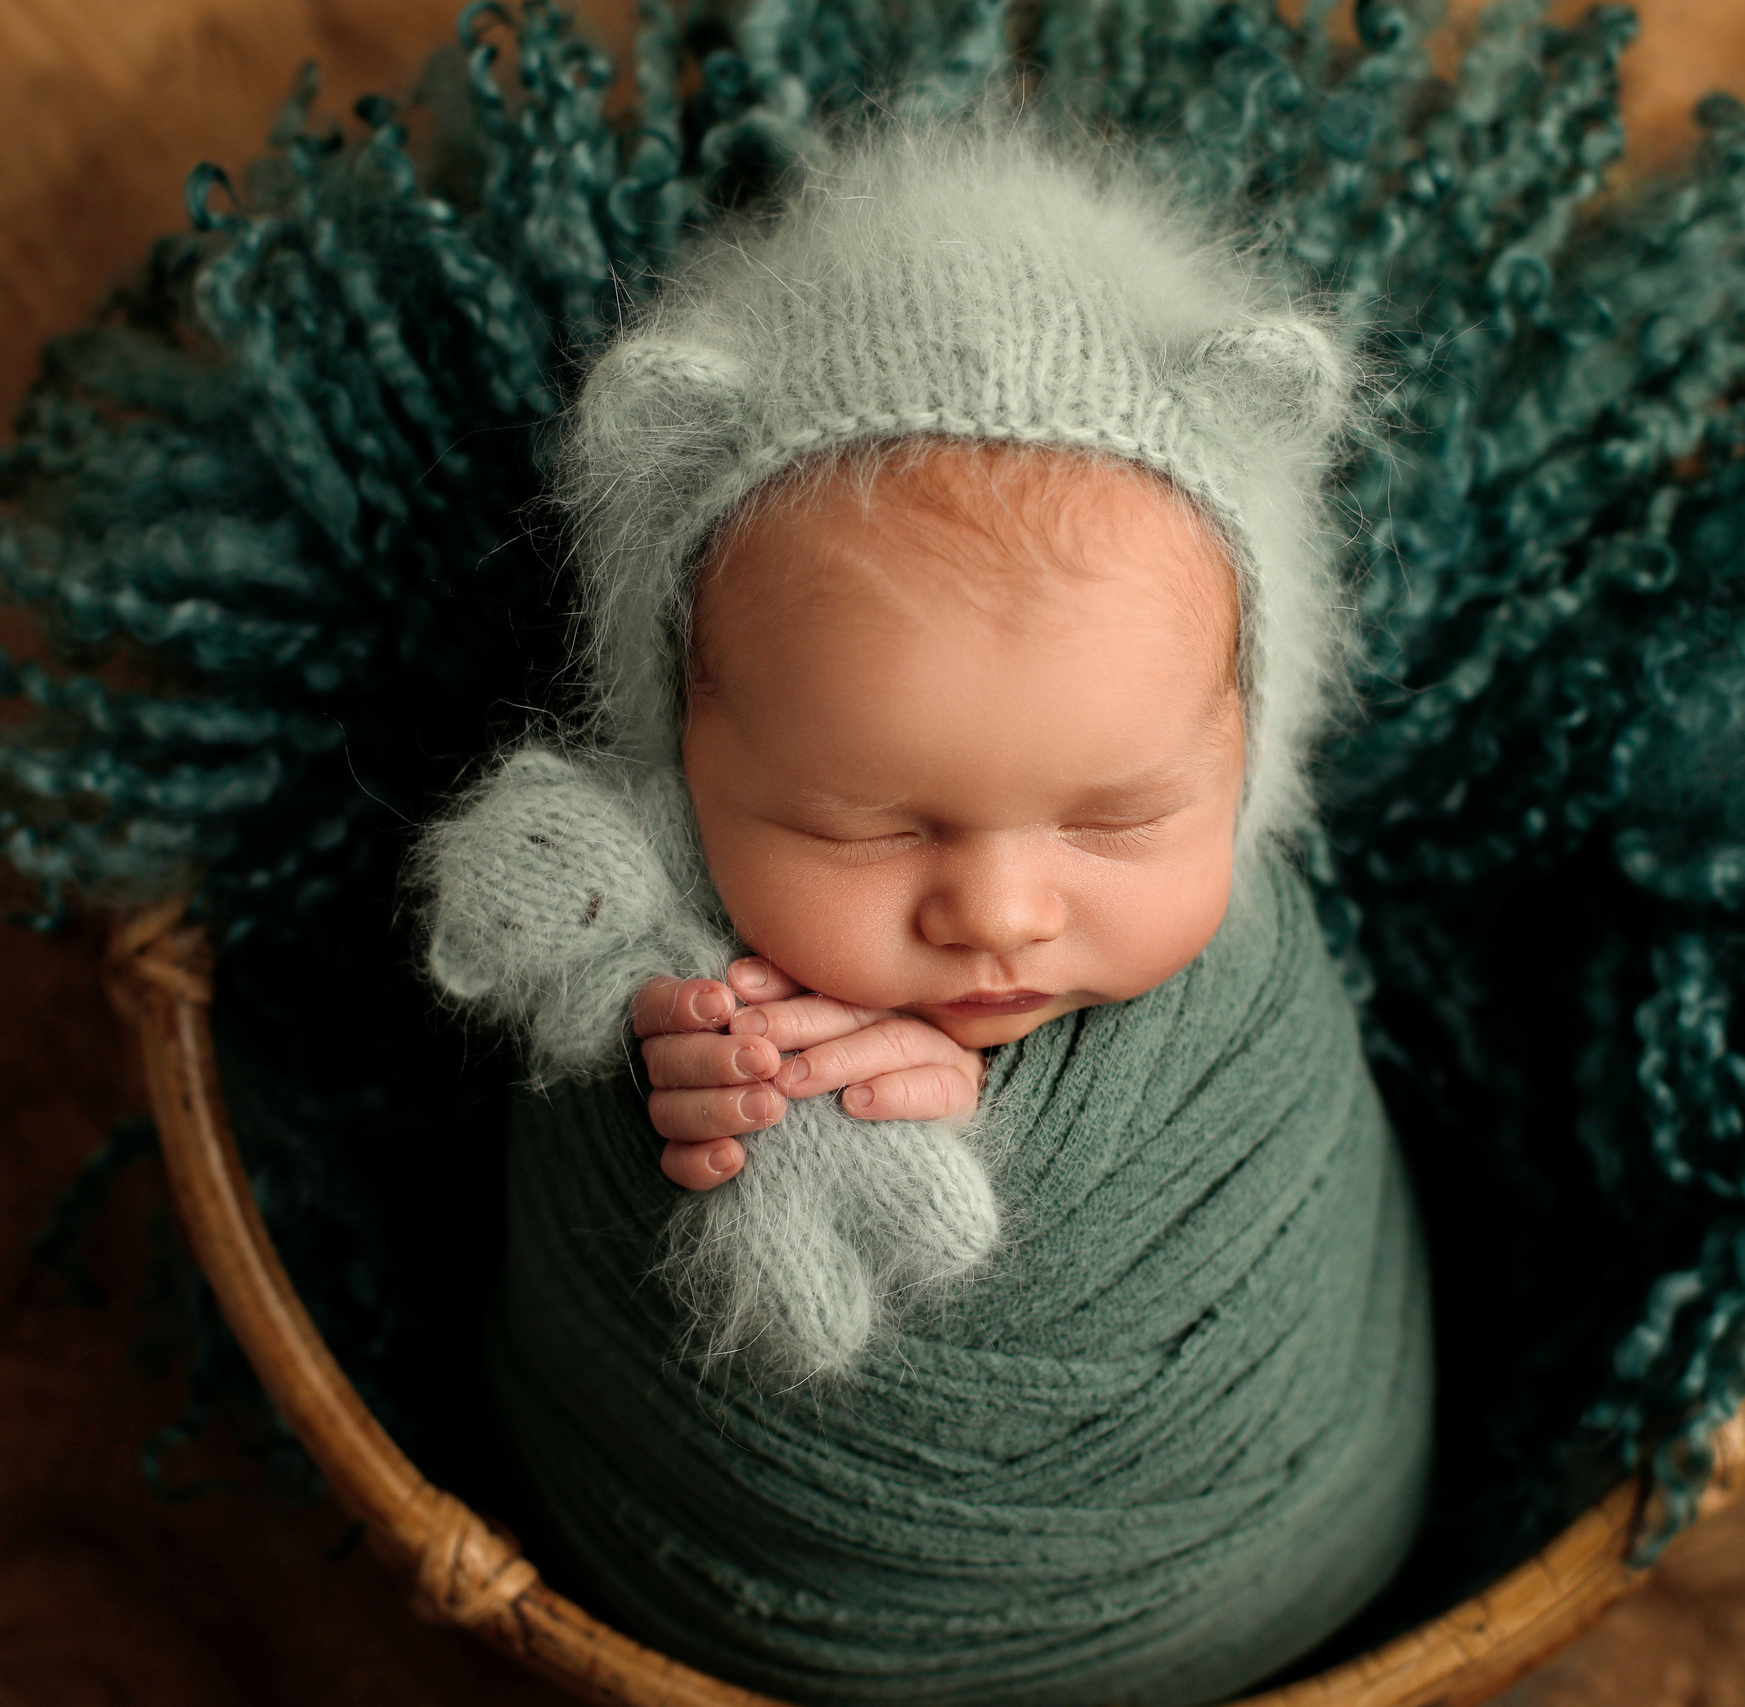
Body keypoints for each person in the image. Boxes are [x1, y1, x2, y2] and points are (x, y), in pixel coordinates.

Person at [422, 121, 1431, 1707]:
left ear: (1250, 759)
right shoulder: (661, 936)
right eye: (869, 825)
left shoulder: (1251, 992)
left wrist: (1004, 1142)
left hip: (1283, 1549)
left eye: (1117, 819)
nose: (1001, 912)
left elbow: (1301, 1214)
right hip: (708, 1591)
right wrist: (691, 1096)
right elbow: (609, 1212)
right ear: (683, 759)